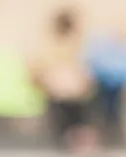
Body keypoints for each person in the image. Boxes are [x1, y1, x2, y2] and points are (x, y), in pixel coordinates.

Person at [31, 8, 96, 151]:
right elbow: (37, 72)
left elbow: (86, 72)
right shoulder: (49, 46)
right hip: (58, 95)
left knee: (78, 129)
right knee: (66, 130)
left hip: (75, 95)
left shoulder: (78, 46)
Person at [83, 26, 126, 147]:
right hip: (104, 88)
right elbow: (95, 70)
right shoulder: (102, 53)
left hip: (121, 90)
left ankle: (114, 131)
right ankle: (105, 131)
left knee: (116, 99)